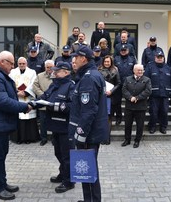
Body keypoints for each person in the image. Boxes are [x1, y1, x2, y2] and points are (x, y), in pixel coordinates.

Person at [0, 51, 33, 200]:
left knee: (1, 156)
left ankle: (2, 183)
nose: (13, 66)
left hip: (0, 124)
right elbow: (1, 101)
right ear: (3, 62)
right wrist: (24, 107)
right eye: (11, 63)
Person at [69, 45, 109, 202]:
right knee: (87, 168)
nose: (74, 60)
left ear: (83, 59)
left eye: (76, 57)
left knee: (89, 169)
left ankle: (93, 199)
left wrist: (80, 134)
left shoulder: (88, 78)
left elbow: (89, 111)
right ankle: (89, 199)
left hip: (89, 133)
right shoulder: (92, 74)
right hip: (92, 131)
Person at [35, 61, 76, 193]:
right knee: (58, 152)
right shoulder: (54, 84)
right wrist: (33, 103)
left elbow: (71, 106)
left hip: (65, 126)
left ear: (66, 72)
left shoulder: (71, 86)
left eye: (57, 71)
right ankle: (63, 173)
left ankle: (69, 181)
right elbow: (44, 96)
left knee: (66, 155)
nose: (54, 72)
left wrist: (54, 106)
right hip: (54, 125)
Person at [9, 57, 39, 144]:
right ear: (17, 64)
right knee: (18, 117)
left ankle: (29, 138)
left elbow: (33, 83)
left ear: (26, 64)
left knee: (28, 118)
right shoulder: (12, 72)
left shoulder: (32, 72)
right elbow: (10, 83)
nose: (22, 65)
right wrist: (16, 92)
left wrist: (26, 92)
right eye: (20, 64)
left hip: (27, 97)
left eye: (23, 63)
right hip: (17, 97)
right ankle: (17, 138)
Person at [121, 64, 151, 148]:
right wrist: (130, 97)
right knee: (127, 124)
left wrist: (137, 97)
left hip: (141, 107)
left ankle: (137, 140)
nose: (140, 72)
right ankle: (127, 139)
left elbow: (148, 91)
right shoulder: (128, 79)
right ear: (134, 71)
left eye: (142, 70)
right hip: (129, 106)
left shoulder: (147, 80)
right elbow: (124, 89)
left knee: (140, 125)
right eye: (139, 70)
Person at [144, 51, 171, 134]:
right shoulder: (150, 67)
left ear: (163, 58)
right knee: (153, 111)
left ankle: (163, 127)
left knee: (164, 111)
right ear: (155, 58)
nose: (159, 58)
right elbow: (146, 80)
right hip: (154, 94)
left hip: (165, 94)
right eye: (158, 57)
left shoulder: (168, 68)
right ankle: (152, 126)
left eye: (161, 57)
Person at [98, 55, 121, 144]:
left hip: (111, 97)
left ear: (111, 62)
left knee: (108, 118)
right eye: (105, 61)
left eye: (108, 62)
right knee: (101, 118)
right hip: (101, 96)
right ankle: (101, 137)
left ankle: (107, 138)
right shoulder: (98, 70)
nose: (107, 63)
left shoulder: (115, 70)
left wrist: (111, 91)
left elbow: (119, 83)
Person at [32, 60, 55, 146]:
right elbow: (35, 86)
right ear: (45, 67)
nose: (49, 69)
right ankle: (43, 138)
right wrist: (43, 95)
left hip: (53, 102)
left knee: (54, 121)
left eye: (51, 67)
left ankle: (54, 138)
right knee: (43, 122)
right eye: (47, 67)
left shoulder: (57, 75)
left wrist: (52, 96)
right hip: (43, 102)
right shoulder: (39, 75)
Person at [113, 44, 137, 125]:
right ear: (120, 51)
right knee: (117, 102)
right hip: (118, 83)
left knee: (130, 101)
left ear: (128, 51)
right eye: (122, 51)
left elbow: (136, 70)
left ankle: (131, 117)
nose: (123, 52)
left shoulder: (132, 59)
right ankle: (118, 117)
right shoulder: (116, 59)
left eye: (125, 50)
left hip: (129, 84)